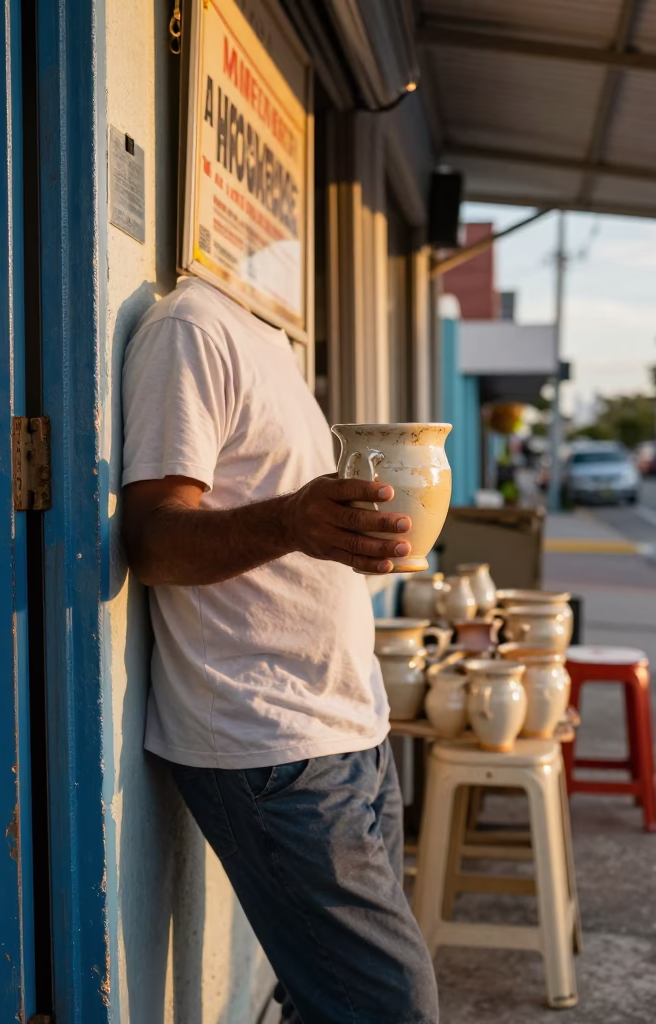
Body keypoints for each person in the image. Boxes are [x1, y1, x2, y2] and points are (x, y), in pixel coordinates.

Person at [121, 276, 439, 1023]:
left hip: (354, 727)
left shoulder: (275, 346)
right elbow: (152, 542)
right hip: (272, 741)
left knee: (330, 1002)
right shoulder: (191, 329)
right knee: (394, 1008)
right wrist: (294, 521)